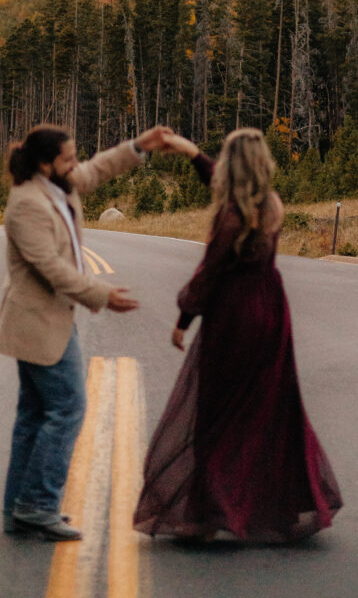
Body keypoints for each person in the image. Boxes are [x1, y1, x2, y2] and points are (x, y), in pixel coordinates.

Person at [134, 128, 342, 543]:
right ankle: (276, 506)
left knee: (216, 411)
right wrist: (190, 152)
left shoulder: (231, 215)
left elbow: (209, 273)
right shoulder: (271, 205)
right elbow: (218, 179)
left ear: (231, 166)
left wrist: (183, 318)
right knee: (269, 409)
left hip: (234, 317)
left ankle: (208, 513)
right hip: (271, 314)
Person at [0, 123, 168, 541]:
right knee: (68, 409)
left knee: (35, 415)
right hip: (38, 321)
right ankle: (38, 505)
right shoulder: (26, 204)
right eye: (67, 160)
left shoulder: (59, 186)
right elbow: (52, 270)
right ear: (44, 164)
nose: (75, 166)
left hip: (52, 320)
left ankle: (19, 509)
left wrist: (138, 147)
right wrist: (102, 294)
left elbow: (98, 169)